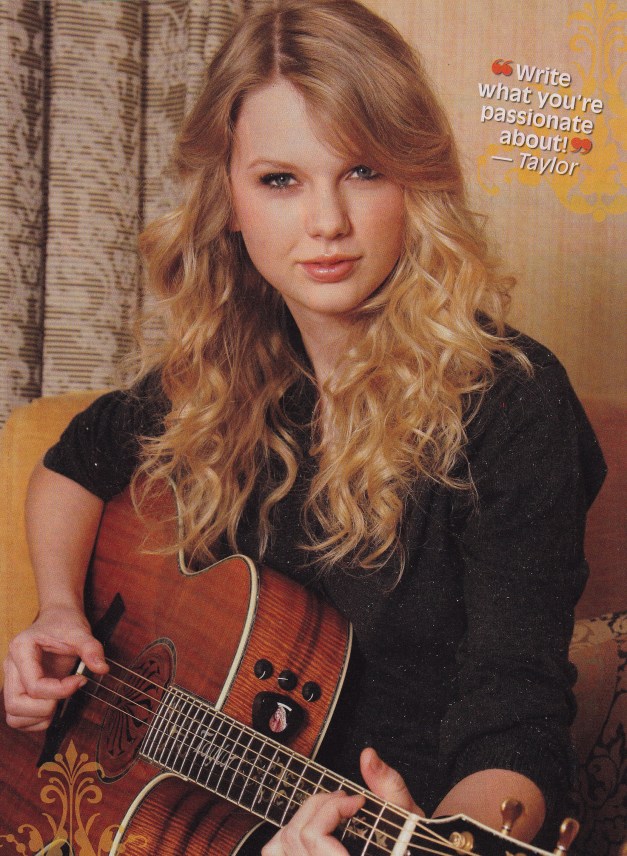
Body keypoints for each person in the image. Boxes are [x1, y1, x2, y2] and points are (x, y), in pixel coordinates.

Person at [3, 1, 606, 853]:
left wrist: (452, 834)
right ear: (228, 198)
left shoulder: (509, 400)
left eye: (362, 170)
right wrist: (61, 614)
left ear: (414, 180)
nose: (326, 222)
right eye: (279, 180)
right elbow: (76, 459)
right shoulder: (227, 370)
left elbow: (515, 708)